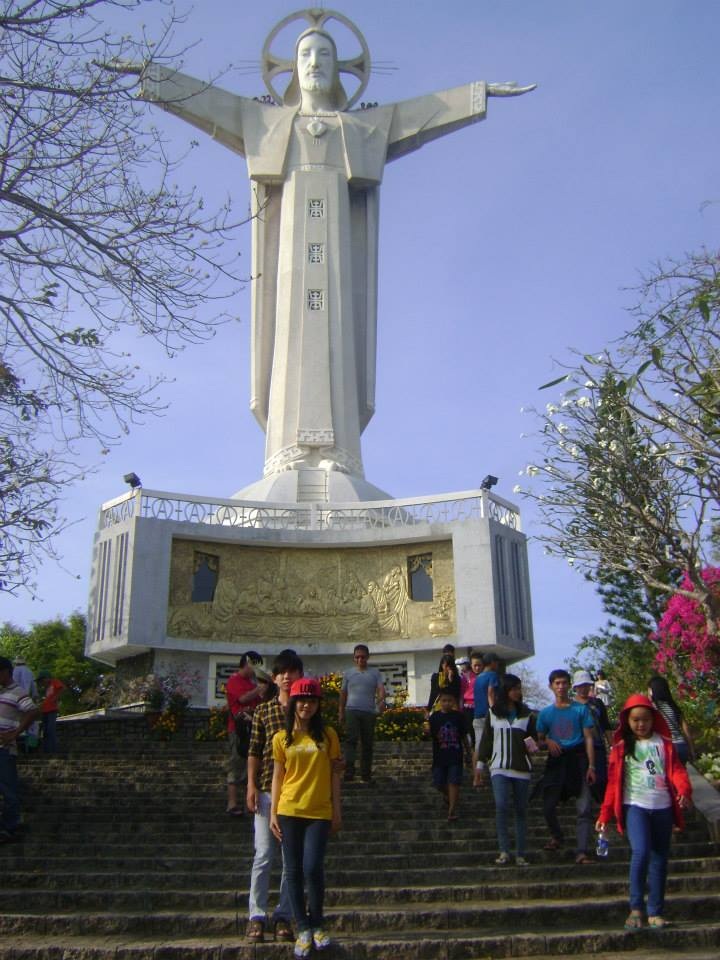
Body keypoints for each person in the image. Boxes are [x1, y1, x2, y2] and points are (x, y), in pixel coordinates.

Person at [134, 17, 535, 482]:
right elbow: (205, 101)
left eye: (324, 54)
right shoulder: (266, 122)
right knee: (290, 339)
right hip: (288, 259)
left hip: (339, 261)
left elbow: (424, 113)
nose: (314, 63)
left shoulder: (361, 128)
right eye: (305, 54)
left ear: (342, 68)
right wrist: (152, 76)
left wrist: (477, 93)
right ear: (288, 68)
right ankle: (289, 454)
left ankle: (338, 456)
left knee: (335, 338)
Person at [596, 694, 692, 929]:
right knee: (641, 852)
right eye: (635, 720)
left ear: (653, 719)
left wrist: (684, 789)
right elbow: (612, 785)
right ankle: (636, 908)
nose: (641, 724)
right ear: (627, 721)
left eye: (645, 720)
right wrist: (605, 814)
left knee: (660, 859)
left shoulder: (664, 744)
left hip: (662, 807)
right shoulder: (621, 749)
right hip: (635, 806)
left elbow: (677, 771)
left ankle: (655, 912)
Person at [270, 677, 342, 958]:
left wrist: (338, 808)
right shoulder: (282, 738)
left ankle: (317, 923)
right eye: (302, 700)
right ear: (294, 704)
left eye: (311, 701)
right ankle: (301, 928)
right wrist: (273, 812)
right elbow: (278, 776)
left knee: (313, 868)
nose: (306, 705)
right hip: (289, 810)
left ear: (317, 705)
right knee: (293, 871)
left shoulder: (328, 736)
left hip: (319, 811)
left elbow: (336, 775)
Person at [245, 652, 304, 944]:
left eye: (292, 672)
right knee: (264, 855)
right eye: (281, 672)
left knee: (289, 859)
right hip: (268, 790)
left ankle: (283, 916)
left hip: (295, 795)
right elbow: (254, 750)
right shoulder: (264, 711)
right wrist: (251, 786)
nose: (286, 677)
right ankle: (256, 917)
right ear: (275, 677)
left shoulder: (305, 712)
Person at [474, 673, 537, 865]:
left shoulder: (527, 714)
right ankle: (504, 850)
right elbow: (486, 740)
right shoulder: (493, 713)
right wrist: (480, 766)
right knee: (501, 806)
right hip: (499, 766)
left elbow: (533, 739)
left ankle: (520, 853)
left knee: (520, 810)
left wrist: (532, 745)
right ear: (505, 691)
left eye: (519, 688)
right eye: (514, 688)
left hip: (521, 767)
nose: (517, 692)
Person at [535, 669, 596, 859]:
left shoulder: (581, 709)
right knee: (548, 805)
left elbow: (588, 738)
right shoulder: (545, 713)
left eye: (563, 683)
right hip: (557, 760)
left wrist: (591, 765)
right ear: (551, 686)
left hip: (578, 758)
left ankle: (582, 850)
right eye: (557, 683)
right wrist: (548, 742)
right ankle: (557, 835)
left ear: (569, 685)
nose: (560, 687)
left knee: (584, 808)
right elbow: (539, 739)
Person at [572, 669, 612, 862]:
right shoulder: (570, 707)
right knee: (584, 805)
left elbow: (606, 728)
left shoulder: (597, 705)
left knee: (604, 802)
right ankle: (582, 849)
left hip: (598, 752)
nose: (584, 689)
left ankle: (603, 845)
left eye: (586, 685)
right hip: (579, 756)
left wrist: (612, 749)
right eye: (580, 686)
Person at [0, 657, 41, 843]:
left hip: (4, 749)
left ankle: (10, 828)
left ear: (6, 671)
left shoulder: (17, 692)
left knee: (8, 789)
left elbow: (32, 711)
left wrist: (16, 733)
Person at [338, 644, 385, 784]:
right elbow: (343, 693)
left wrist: (381, 701)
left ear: (368, 657)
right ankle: (349, 771)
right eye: (357, 657)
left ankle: (366, 773)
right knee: (351, 741)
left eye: (362, 657)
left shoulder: (375, 673)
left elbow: (381, 689)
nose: (360, 660)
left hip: (369, 712)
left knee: (367, 743)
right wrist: (340, 711)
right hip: (351, 710)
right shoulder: (348, 673)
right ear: (354, 658)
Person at [225, 653, 263, 815]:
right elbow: (242, 699)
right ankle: (232, 803)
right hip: (238, 729)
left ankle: (251, 801)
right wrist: (259, 689)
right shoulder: (234, 681)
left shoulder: (252, 682)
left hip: (254, 727)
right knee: (237, 763)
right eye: (253, 665)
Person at [424, 690, 471, 821]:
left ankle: (452, 810)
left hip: (455, 755)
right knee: (439, 782)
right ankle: (449, 796)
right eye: (444, 701)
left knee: (454, 781)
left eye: (450, 700)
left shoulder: (459, 717)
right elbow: (431, 735)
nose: (447, 703)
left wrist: (468, 752)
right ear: (439, 702)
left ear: (454, 702)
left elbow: (463, 736)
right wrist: (426, 731)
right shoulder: (434, 718)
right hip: (440, 756)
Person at [647, 676, 695, 765]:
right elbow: (686, 730)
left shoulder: (651, 709)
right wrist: (691, 750)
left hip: (664, 749)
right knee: (679, 777)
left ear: (651, 691)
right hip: (681, 747)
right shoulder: (674, 707)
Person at [471, 653, 500, 751]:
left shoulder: (478, 678)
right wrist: (494, 711)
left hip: (477, 715)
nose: (497, 665)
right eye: (496, 663)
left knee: (478, 746)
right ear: (492, 663)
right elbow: (491, 693)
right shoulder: (492, 675)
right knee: (493, 744)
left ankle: (476, 766)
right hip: (488, 714)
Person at [12, 656, 39, 753]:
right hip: (26, 699)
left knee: (15, 722)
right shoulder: (29, 671)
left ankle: (16, 745)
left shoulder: (14, 671)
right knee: (28, 722)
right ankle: (30, 746)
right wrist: (35, 697)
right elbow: (34, 686)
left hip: (15, 697)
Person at [36, 669, 65, 754]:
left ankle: (53, 750)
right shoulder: (47, 688)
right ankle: (46, 750)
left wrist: (56, 697)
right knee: (45, 731)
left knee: (50, 729)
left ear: (47, 678)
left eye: (42, 680)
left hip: (52, 710)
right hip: (45, 710)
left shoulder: (54, 682)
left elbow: (62, 688)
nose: (42, 682)